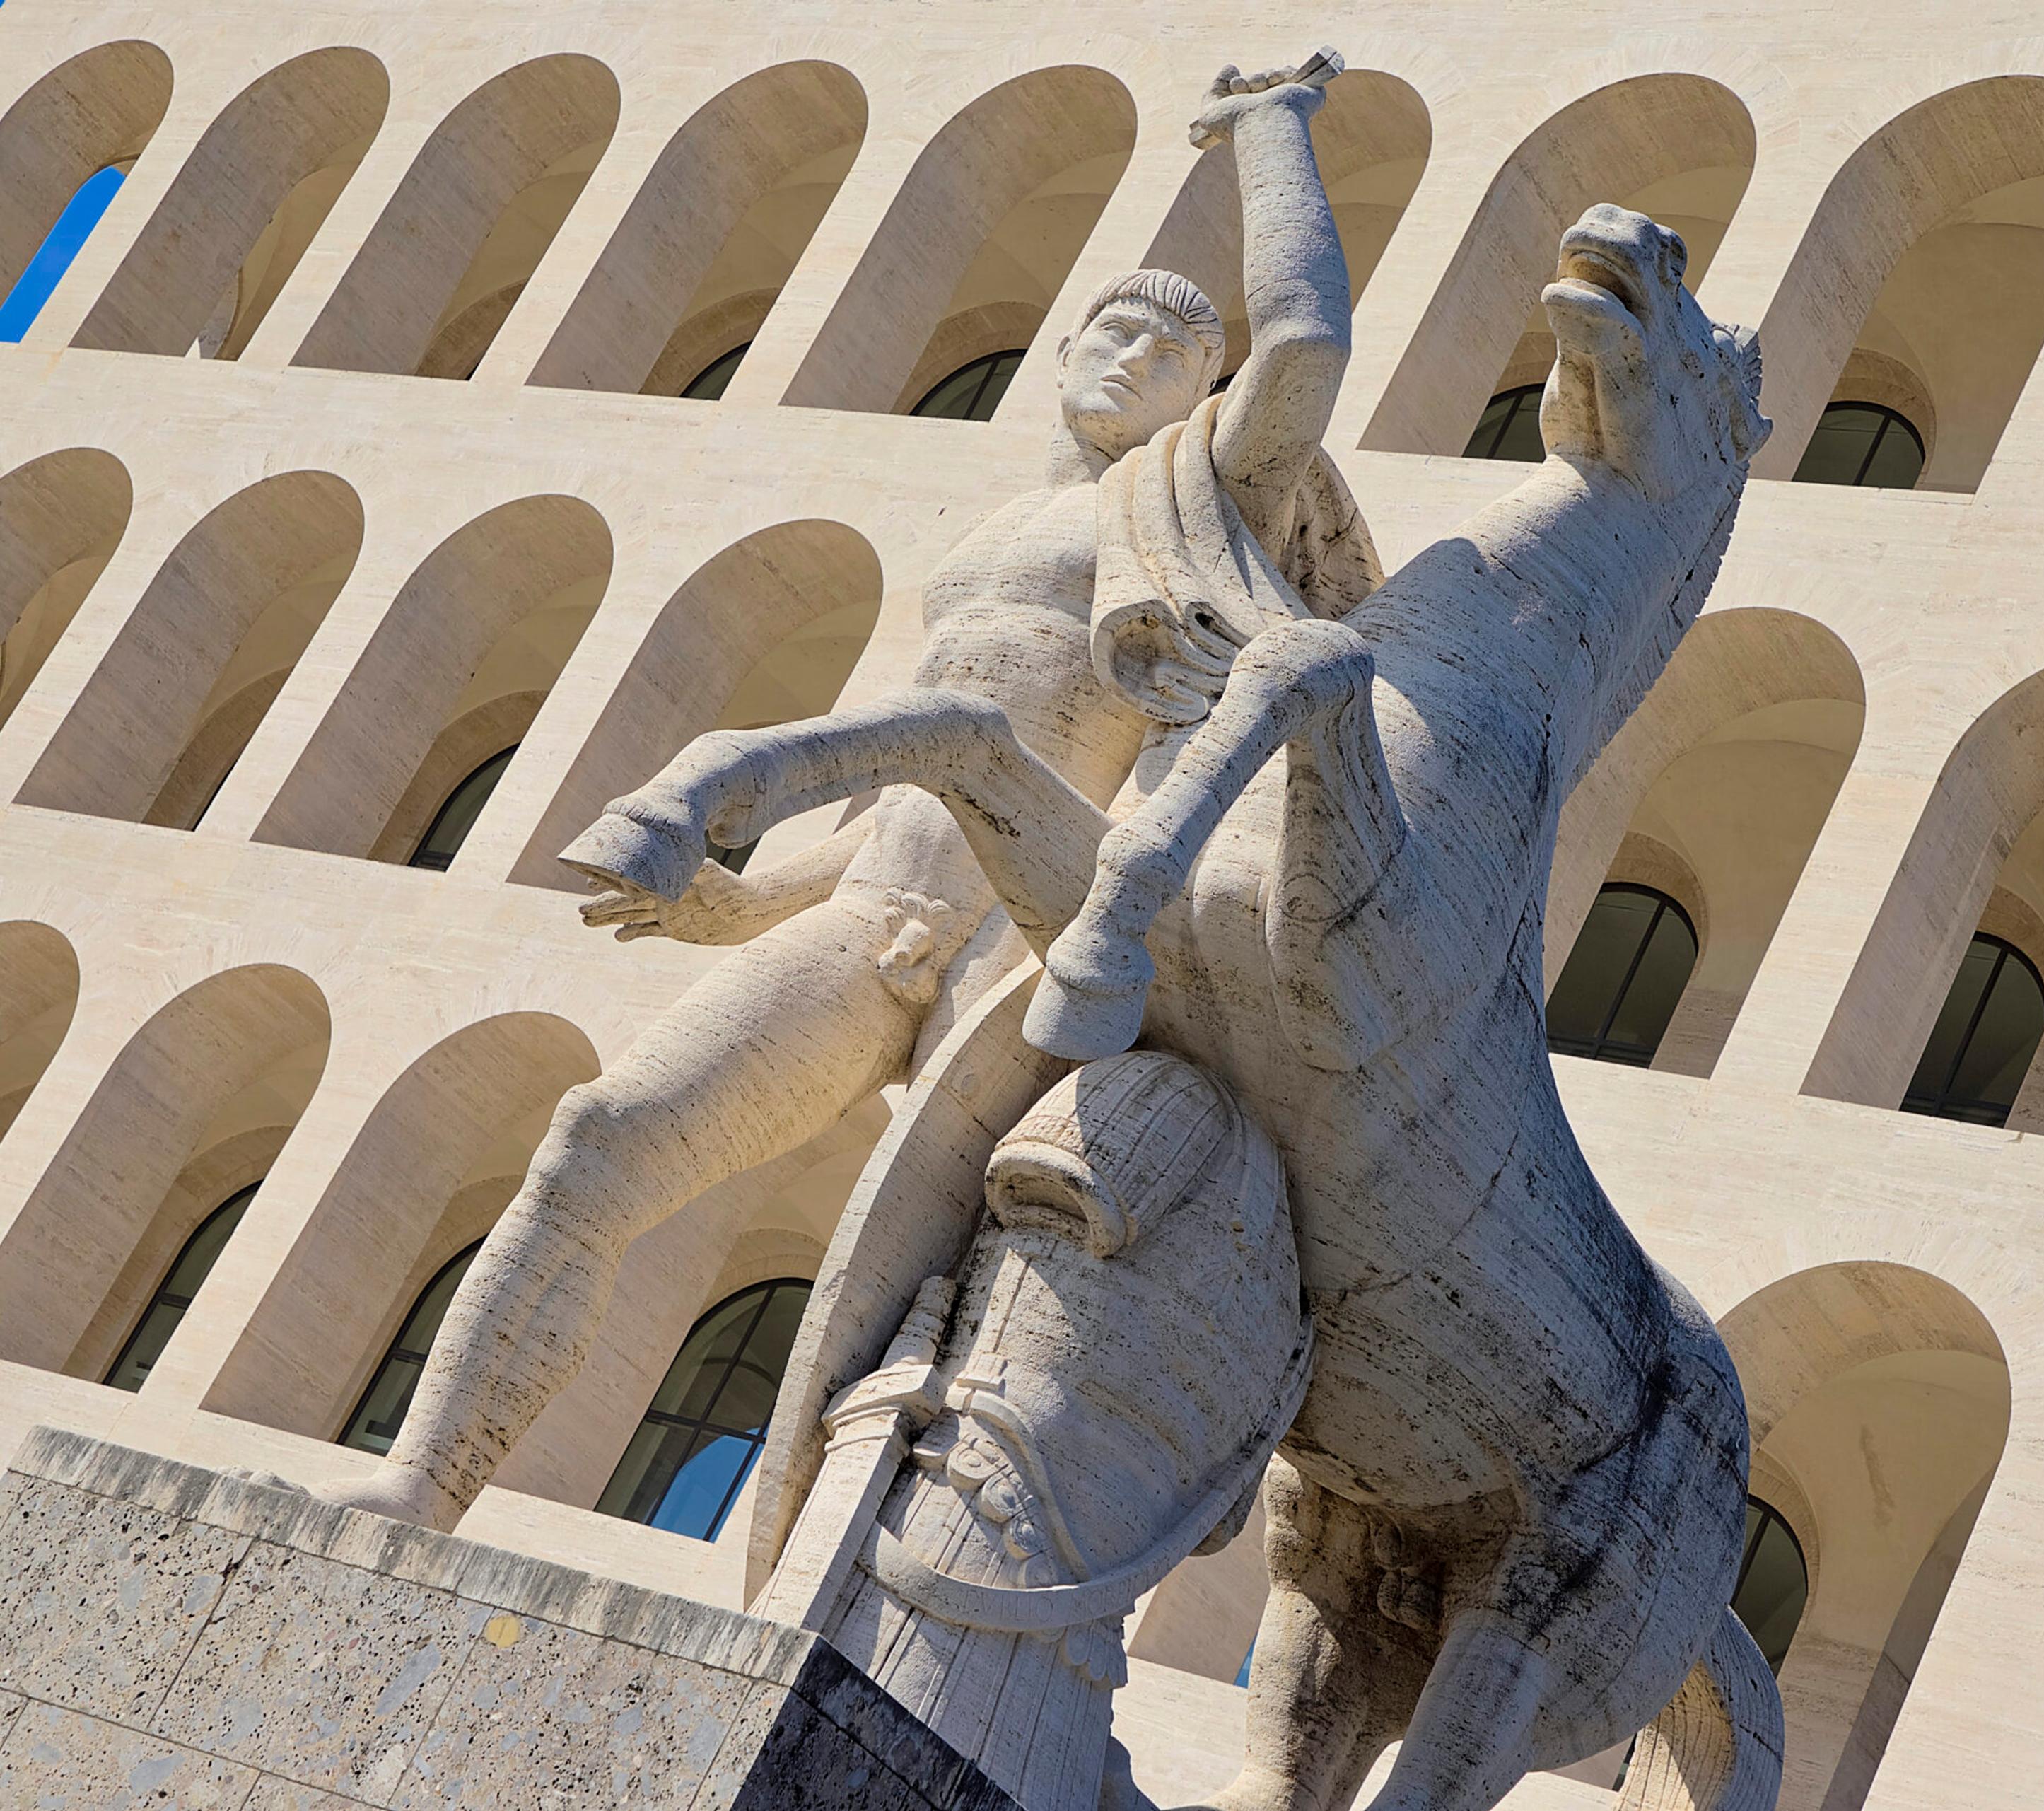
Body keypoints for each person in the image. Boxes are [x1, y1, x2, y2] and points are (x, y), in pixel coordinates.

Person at [324, 52, 1374, 1530]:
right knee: (598, 1140)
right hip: (880, 910)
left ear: (1205, 402)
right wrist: (745, 902)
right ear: (1068, 343)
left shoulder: (1191, 499)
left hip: (1041, 924)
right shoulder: (998, 525)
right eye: (1118, 328)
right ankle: (421, 1489)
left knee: (969, 1300)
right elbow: (901, 816)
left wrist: (1273, 135)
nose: (1138, 357)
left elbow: (1310, 350)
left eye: (1177, 357)